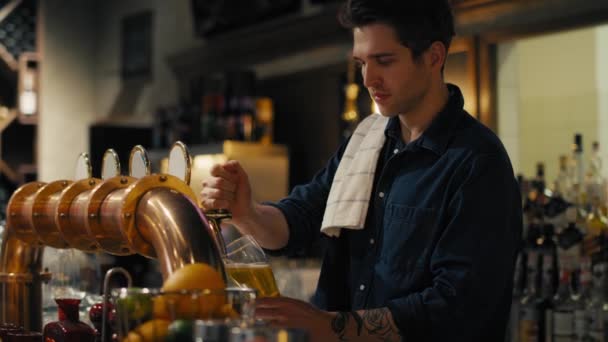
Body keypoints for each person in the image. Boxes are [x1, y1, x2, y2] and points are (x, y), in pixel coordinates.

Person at [200, 0, 522, 340]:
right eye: (361, 63)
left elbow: (458, 308)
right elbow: (298, 220)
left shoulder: (477, 162)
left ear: (434, 57)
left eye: (384, 61)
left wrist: (330, 327)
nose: (368, 79)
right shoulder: (367, 140)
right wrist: (246, 212)